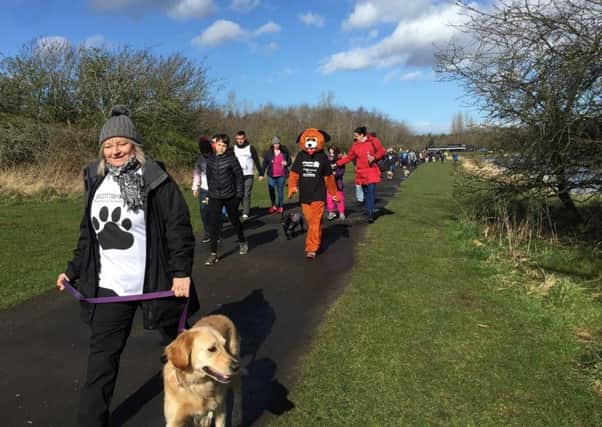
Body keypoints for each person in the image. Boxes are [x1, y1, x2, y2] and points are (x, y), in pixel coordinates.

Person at [55, 105, 199, 427]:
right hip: (111, 287)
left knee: (182, 355)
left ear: (134, 144)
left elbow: (178, 227)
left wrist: (181, 273)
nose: (115, 150)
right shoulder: (95, 178)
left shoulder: (155, 177)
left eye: (121, 143)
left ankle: (196, 411)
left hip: (157, 284)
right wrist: (72, 270)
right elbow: (87, 234)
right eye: (108, 145)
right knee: (101, 363)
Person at [288, 128, 338, 259]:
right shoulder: (300, 156)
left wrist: (333, 193)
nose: (310, 144)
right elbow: (294, 173)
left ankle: (312, 248)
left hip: (318, 195)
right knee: (311, 221)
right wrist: (292, 186)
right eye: (308, 140)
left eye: (313, 140)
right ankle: (317, 238)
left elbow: (329, 177)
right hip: (305, 196)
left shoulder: (323, 157)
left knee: (315, 222)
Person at [205, 133, 248, 265]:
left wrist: (239, 196)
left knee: (235, 221)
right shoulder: (210, 159)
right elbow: (209, 177)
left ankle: (242, 241)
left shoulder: (231, 159)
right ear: (215, 145)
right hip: (215, 197)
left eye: (224, 145)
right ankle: (213, 254)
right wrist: (210, 193)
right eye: (219, 145)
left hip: (230, 196)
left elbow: (239, 178)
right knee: (213, 225)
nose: (221, 148)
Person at [336, 126, 386, 223]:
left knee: (371, 193)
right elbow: (349, 157)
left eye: (356, 136)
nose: (355, 137)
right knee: (366, 194)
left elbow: (382, 151)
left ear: (362, 135)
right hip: (361, 173)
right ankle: (369, 210)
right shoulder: (355, 145)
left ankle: (370, 214)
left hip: (371, 171)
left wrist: (374, 157)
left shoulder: (373, 141)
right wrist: (337, 163)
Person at [233, 130, 264, 221]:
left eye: (241, 139)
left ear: (245, 138)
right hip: (236, 175)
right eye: (238, 139)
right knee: (238, 194)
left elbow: (257, 161)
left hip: (248, 175)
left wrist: (261, 173)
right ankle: (237, 211)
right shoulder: (233, 148)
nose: (240, 141)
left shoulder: (251, 148)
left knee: (246, 194)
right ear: (236, 139)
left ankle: (245, 213)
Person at [261, 136, 292, 214]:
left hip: (282, 175)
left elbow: (290, 161)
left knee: (280, 191)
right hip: (271, 175)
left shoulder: (284, 151)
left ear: (279, 143)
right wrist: (261, 174)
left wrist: (286, 163)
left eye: (277, 143)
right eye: (275, 143)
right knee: (271, 191)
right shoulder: (269, 153)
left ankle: (280, 206)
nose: (276, 145)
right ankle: (274, 205)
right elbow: (264, 164)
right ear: (272, 144)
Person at [192, 135, 214, 243]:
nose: (206, 154)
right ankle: (207, 233)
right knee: (204, 211)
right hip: (204, 190)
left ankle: (216, 232)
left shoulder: (215, 158)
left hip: (215, 190)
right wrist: (195, 188)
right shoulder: (199, 160)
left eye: (207, 152)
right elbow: (197, 174)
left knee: (214, 212)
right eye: (203, 152)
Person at [326, 146, 346, 220]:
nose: (331, 154)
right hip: (329, 184)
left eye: (333, 153)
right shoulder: (326, 160)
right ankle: (331, 212)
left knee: (339, 198)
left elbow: (342, 172)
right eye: (330, 152)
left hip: (338, 183)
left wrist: (335, 174)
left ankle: (341, 213)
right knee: (329, 199)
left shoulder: (340, 161)